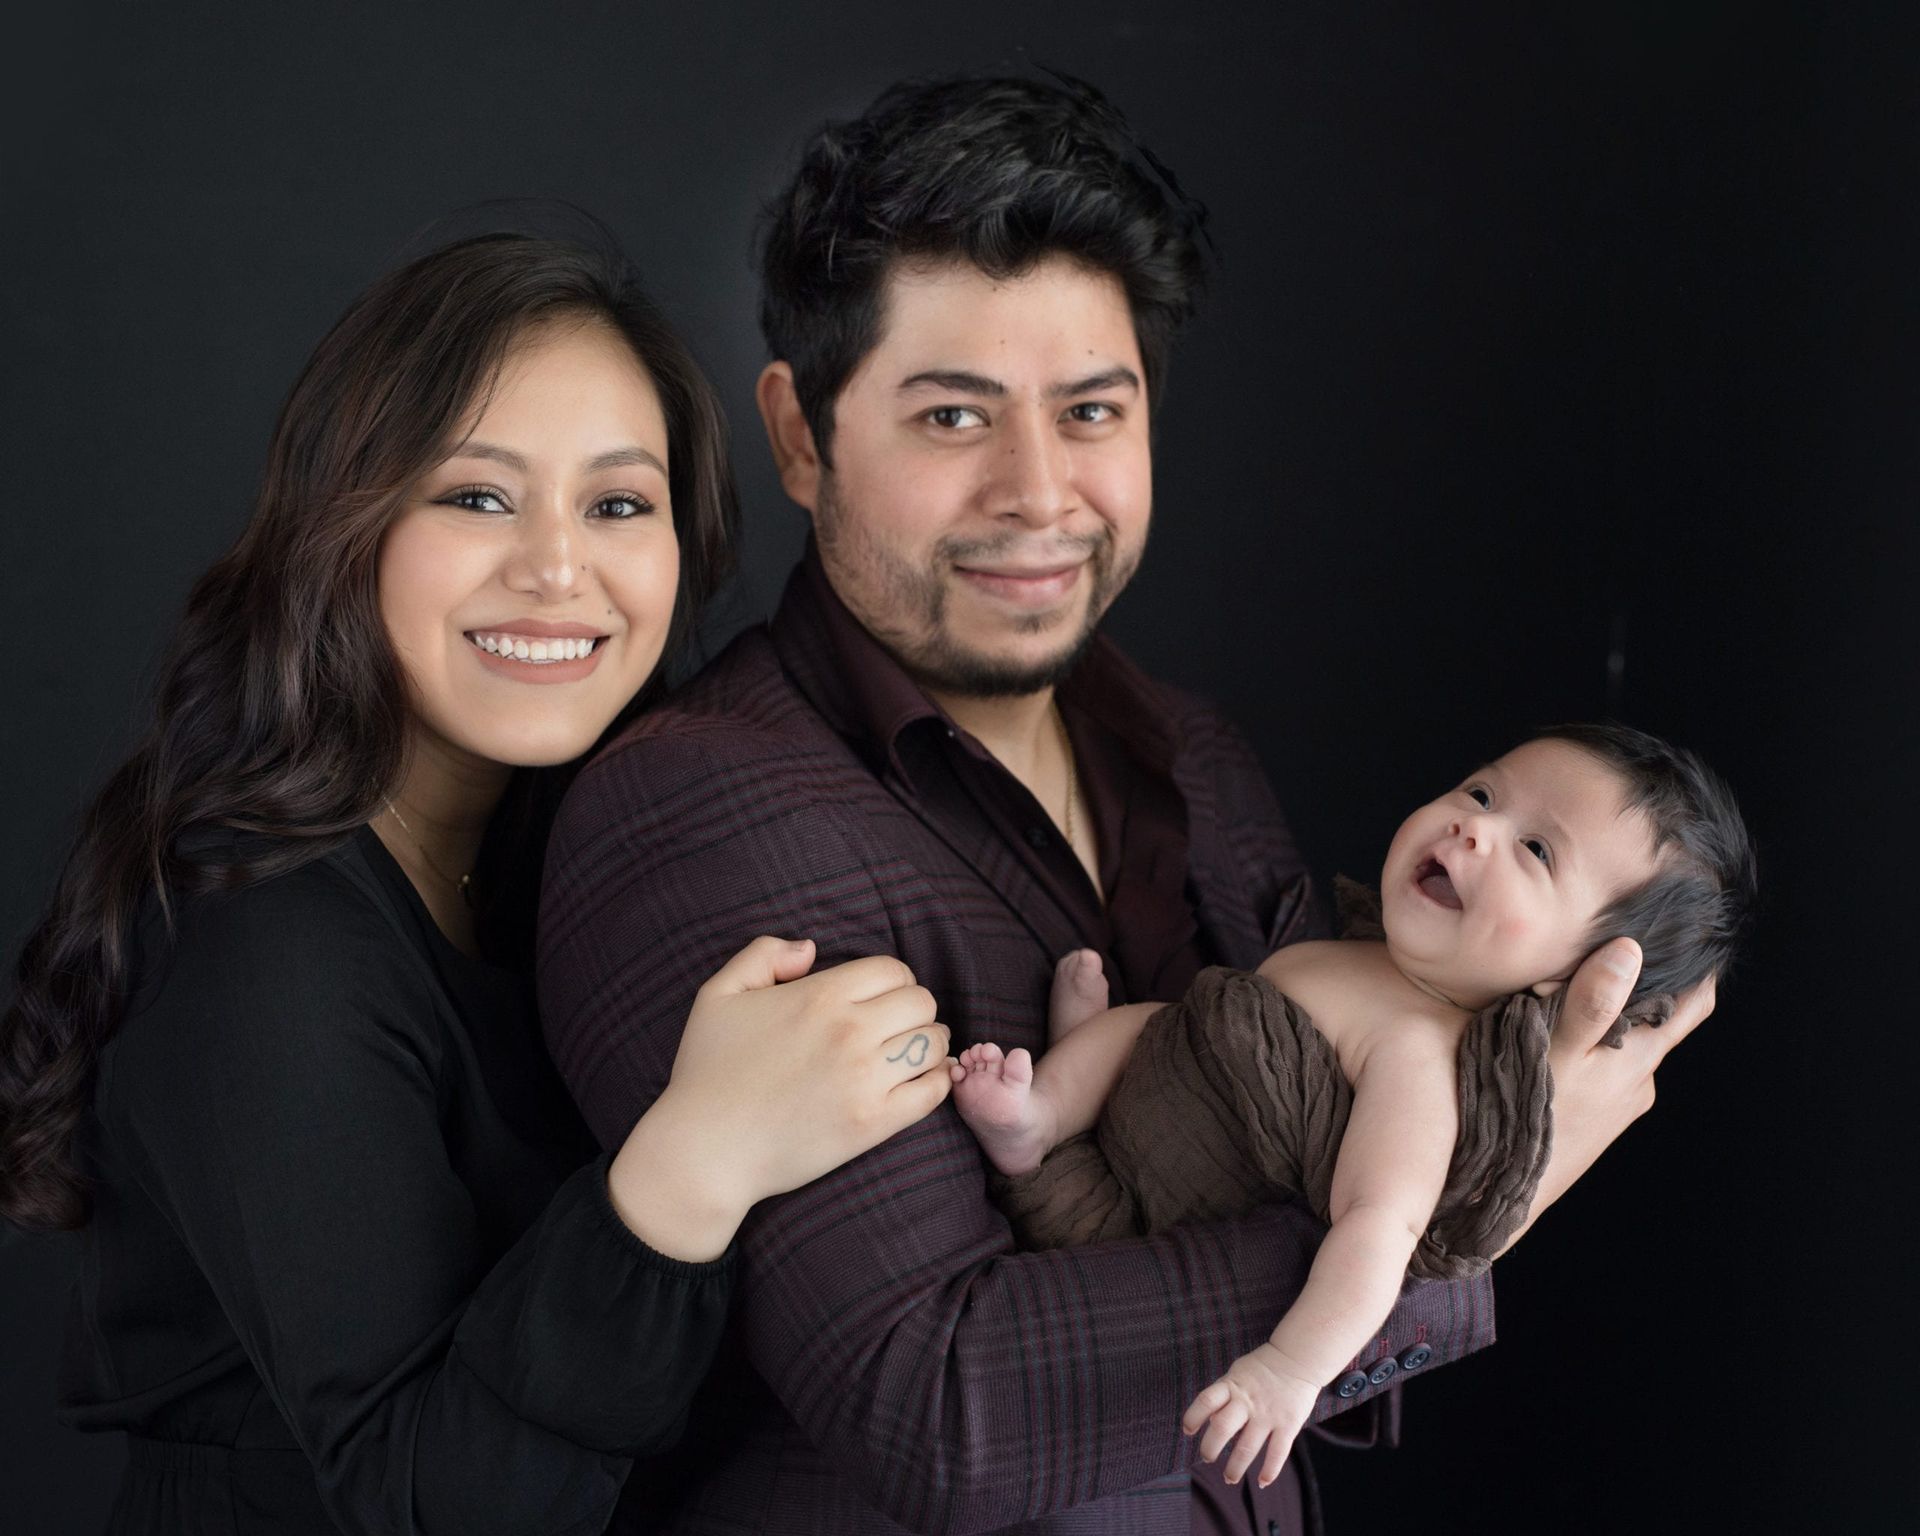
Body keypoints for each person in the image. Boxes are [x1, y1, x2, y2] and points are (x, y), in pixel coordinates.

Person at [537, 76, 1714, 1536]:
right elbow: (943, 1408)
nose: (1041, 493)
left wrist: (1390, 1239)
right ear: (800, 436)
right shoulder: (701, 807)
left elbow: (1325, 1392)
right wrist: (1459, 1216)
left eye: (1091, 410)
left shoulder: (1196, 759)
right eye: (954, 413)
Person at [0, 232, 954, 1536]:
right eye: (477, 498)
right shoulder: (264, 946)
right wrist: (692, 1167)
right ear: (348, 526)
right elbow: (435, 1506)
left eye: (618, 504)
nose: (557, 569)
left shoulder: (581, 853)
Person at [953, 724, 1755, 1490]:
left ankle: (1039, 1141)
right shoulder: (1365, 958)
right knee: (1152, 1024)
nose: (1474, 829)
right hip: (1139, 1110)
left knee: (1156, 1028)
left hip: (1114, 1231)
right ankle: (1044, 1111)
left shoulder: (1419, 1059)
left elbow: (1379, 1229)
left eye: (1537, 850)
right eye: (1481, 794)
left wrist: (1290, 1368)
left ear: (1574, 979)